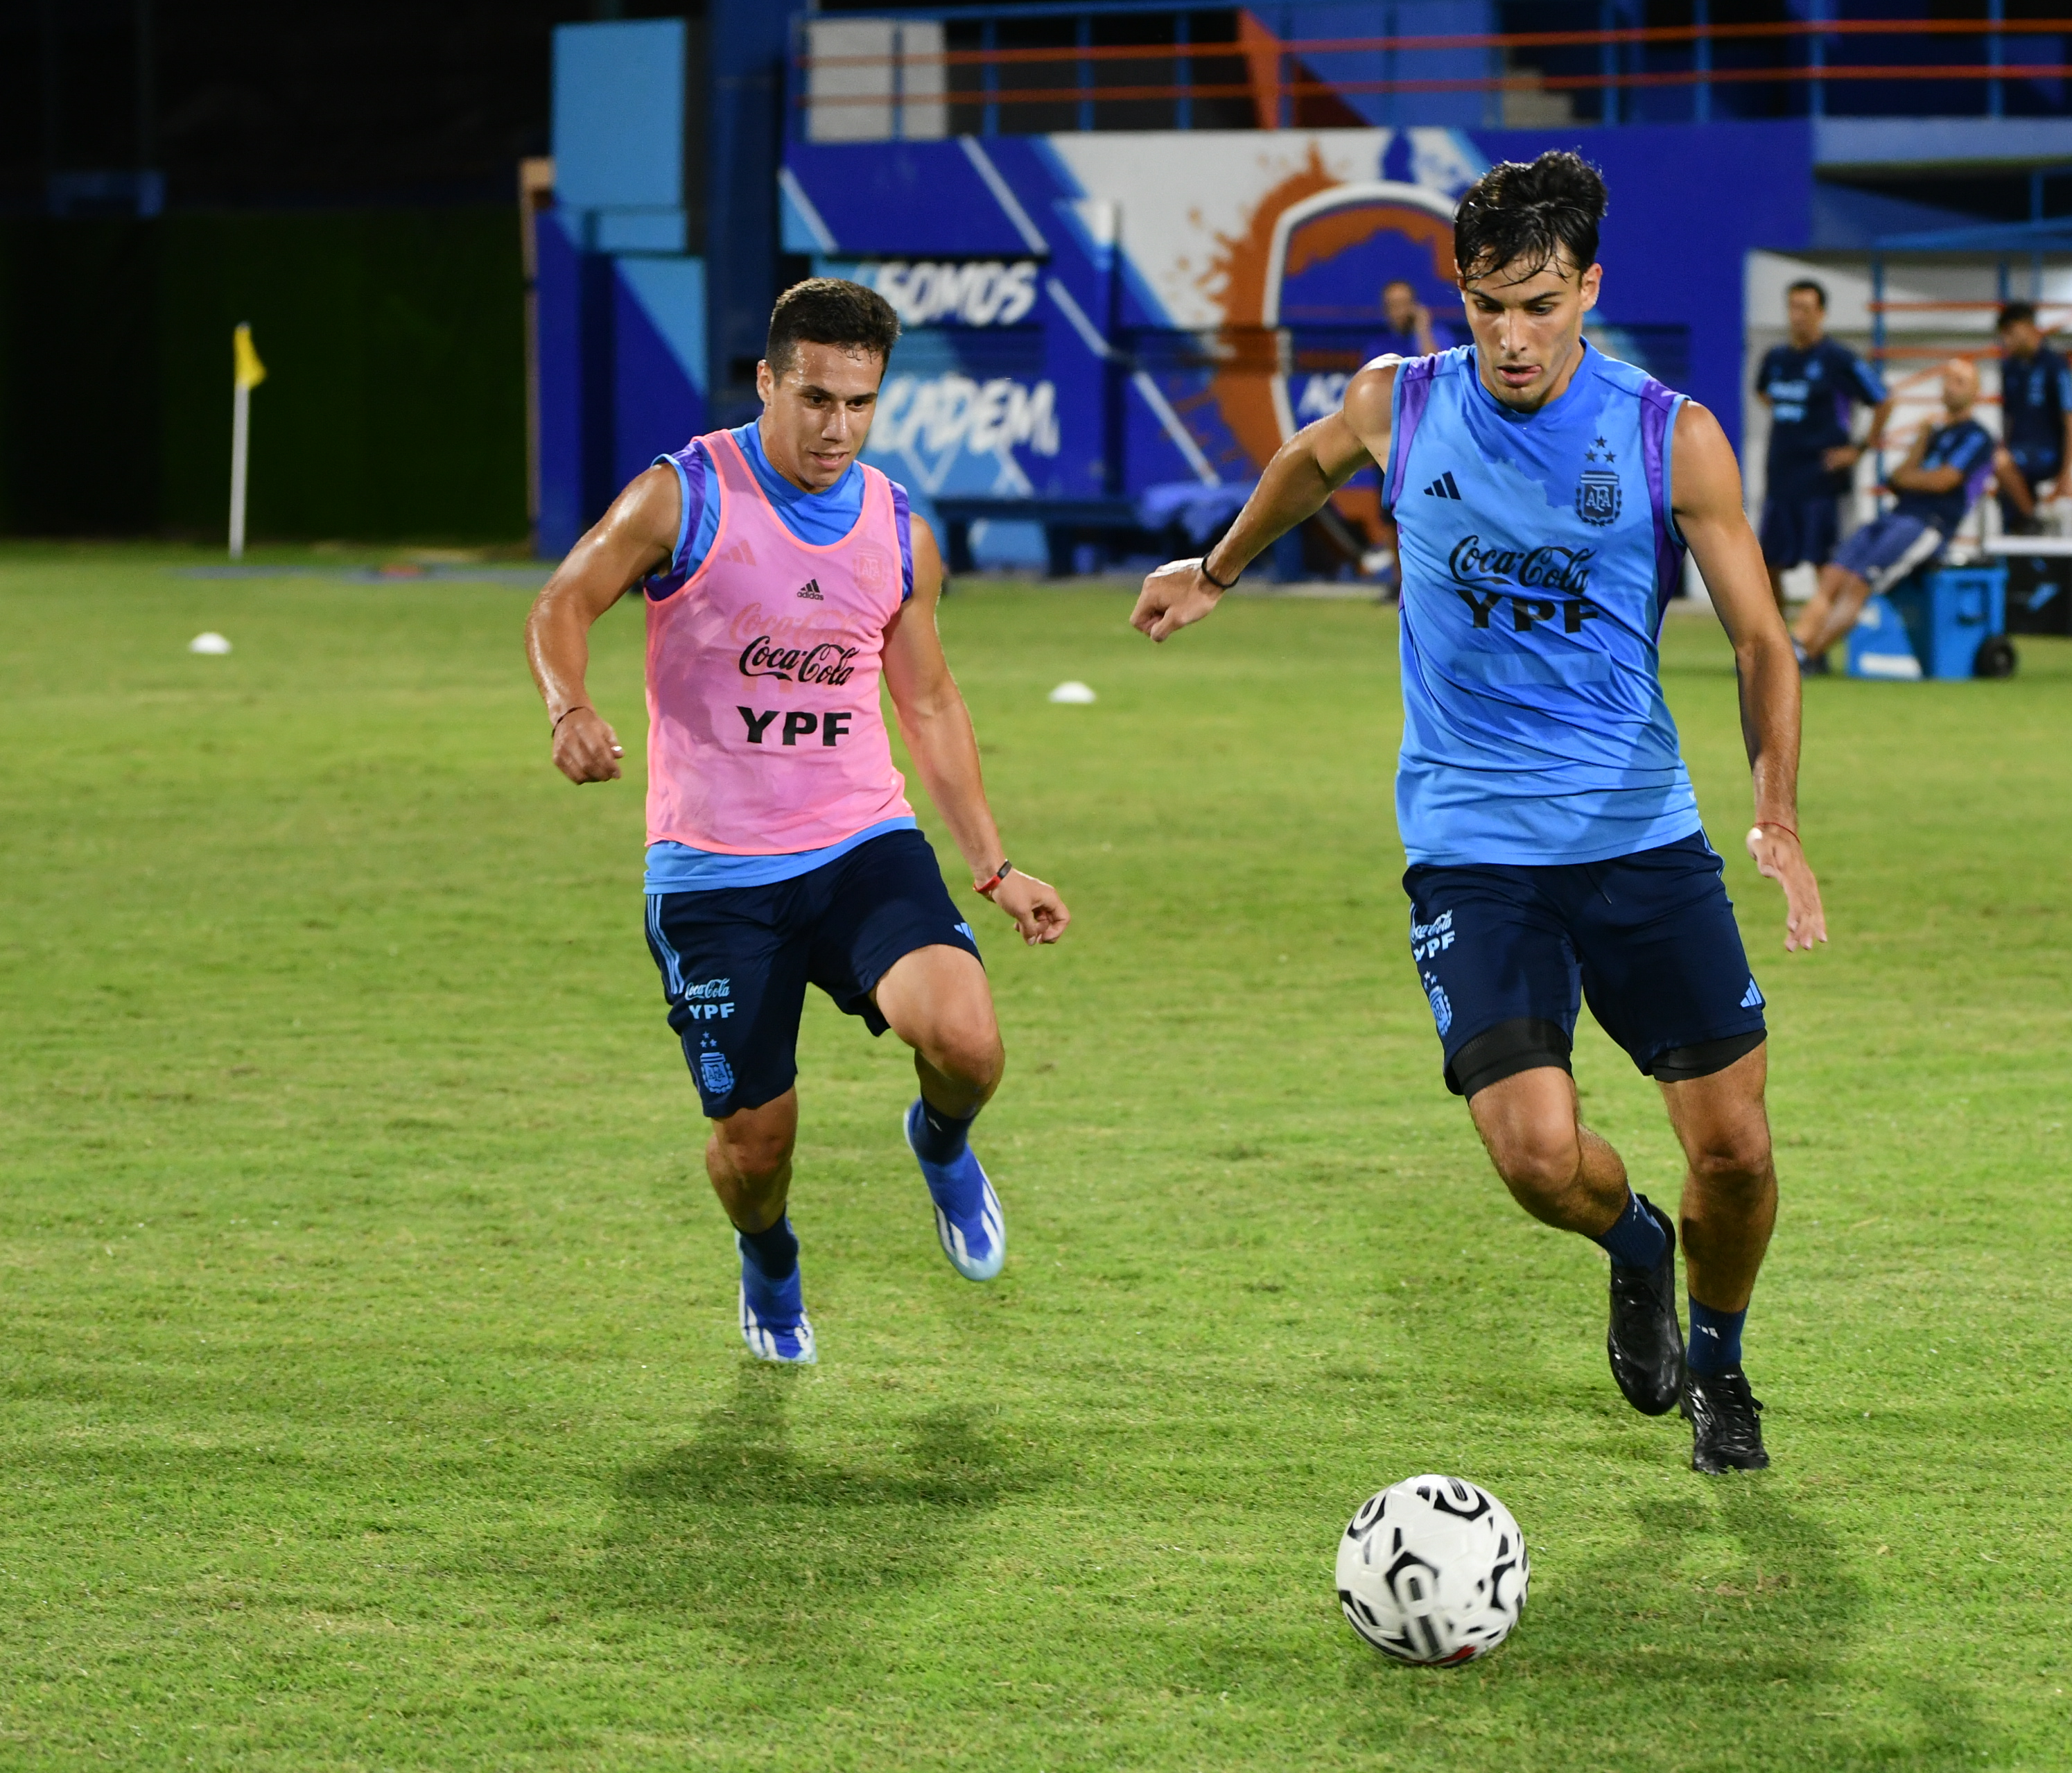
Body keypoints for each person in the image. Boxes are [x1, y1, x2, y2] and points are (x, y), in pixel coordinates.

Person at [1130, 151, 1826, 1475]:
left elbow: (1760, 643)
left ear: (1590, 292)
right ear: (1460, 295)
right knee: (1533, 1158)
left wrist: (1775, 817)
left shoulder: (1666, 432)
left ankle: (1723, 1365)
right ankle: (1635, 1246)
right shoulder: (1401, 402)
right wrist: (1216, 566)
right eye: (1489, 304)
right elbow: (1305, 460)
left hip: (1639, 835)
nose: (1513, 337)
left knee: (1733, 1149)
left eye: (1542, 305)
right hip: (1472, 847)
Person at [525, 278, 1071, 1365]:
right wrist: (569, 706)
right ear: (769, 381)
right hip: (715, 876)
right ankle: (769, 1262)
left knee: (967, 1038)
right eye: (815, 398)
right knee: (754, 1148)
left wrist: (994, 865)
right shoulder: (681, 497)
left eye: (860, 404)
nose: (837, 428)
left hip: (860, 841)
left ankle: (942, 1144)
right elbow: (563, 602)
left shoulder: (900, 530)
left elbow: (925, 702)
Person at [1787, 356, 1996, 671]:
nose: (1950, 388)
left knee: (1857, 583)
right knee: (1833, 576)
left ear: (1977, 392)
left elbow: (1944, 481)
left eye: (1960, 382)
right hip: (1897, 516)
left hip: (1927, 525)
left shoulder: (1977, 437)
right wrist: (1922, 443)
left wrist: (1914, 479)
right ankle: (1794, 646)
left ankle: (1809, 657)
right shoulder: (1934, 434)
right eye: (1947, 380)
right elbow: (1898, 477)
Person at [1752, 280, 1887, 593]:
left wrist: (1859, 449)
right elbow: (1763, 392)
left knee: (1824, 562)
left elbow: (1883, 399)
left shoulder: (1838, 359)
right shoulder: (1775, 358)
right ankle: (1780, 639)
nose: (1798, 316)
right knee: (1769, 561)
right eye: (1793, 307)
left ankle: (1817, 640)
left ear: (1822, 314)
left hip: (1822, 478)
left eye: (1806, 309)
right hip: (1782, 474)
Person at [1994, 301, 2072, 535]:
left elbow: (2071, 420)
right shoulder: (2010, 369)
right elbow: (2008, 419)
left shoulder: (2055, 366)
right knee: (2006, 504)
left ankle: (2034, 519)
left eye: (2009, 333)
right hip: (2017, 456)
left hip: (2046, 454)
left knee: (1999, 461)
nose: (2005, 341)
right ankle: (2027, 524)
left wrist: (2066, 475)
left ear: (2026, 327)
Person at [1368, 278, 1443, 363]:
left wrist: (1424, 332)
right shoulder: (1377, 346)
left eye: (1405, 304)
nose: (1401, 312)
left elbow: (1438, 371)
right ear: (1385, 311)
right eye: (1394, 306)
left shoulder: (1438, 335)